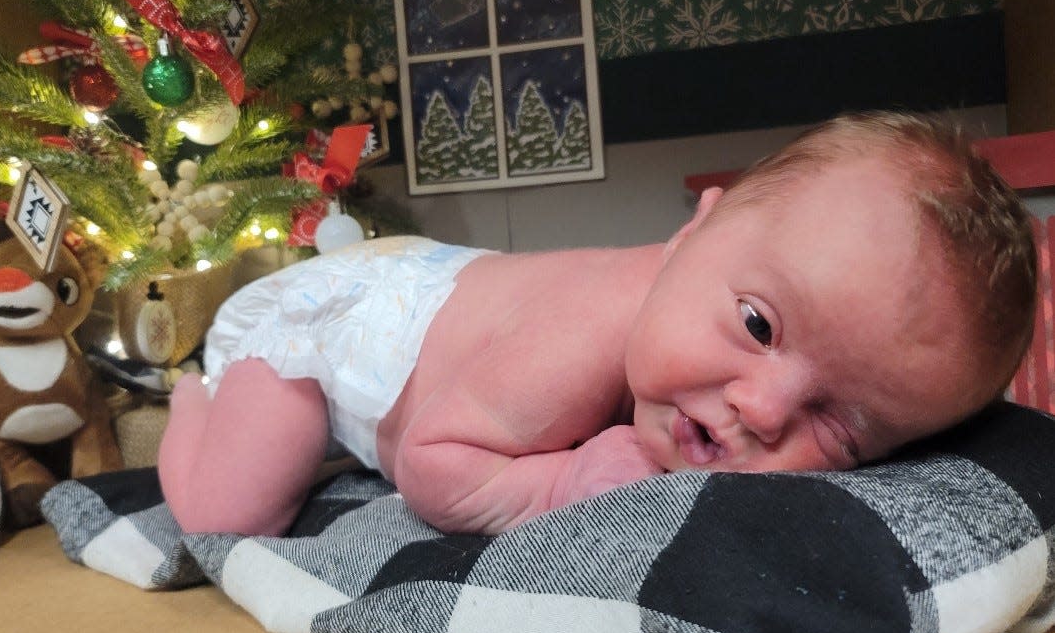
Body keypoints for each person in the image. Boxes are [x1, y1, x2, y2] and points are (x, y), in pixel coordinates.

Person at [157, 110, 1037, 537]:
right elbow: (431, 462)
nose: (764, 411)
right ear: (695, 231)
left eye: (841, 430)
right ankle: (189, 398)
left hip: (443, 288)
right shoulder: (578, 340)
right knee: (232, 512)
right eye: (761, 327)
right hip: (325, 325)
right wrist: (564, 484)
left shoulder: (693, 346)